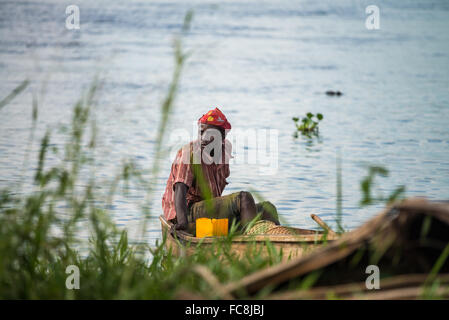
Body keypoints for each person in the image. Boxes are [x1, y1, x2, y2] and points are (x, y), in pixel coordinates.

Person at [162, 107, 280, 234]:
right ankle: (249, 243)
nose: (204, 138)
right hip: (186, 212)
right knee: (244, 198)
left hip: (209, 210)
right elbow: (180, 188)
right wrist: (183, 223)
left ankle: (278, 240)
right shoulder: (189, 153)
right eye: (201, 132)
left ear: (222, 136)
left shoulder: (225, 150)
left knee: (268, 208)